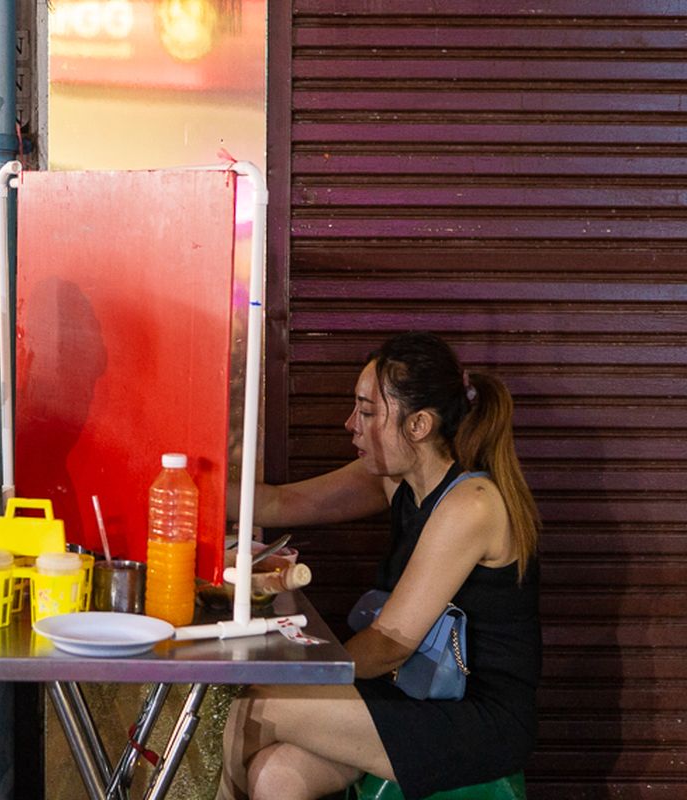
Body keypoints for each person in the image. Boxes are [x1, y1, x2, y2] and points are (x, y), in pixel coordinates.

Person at [217, 331, 541, 800]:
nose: (351, 424)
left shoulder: (472, 504)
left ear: (419, 425)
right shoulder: (396, 479)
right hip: (410, 696)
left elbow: (389, 644)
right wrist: (183, 478)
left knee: (249, 711)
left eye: (368, 412)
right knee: (277, 774)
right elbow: (276, 503)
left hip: (473, 719)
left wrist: (306, 674)